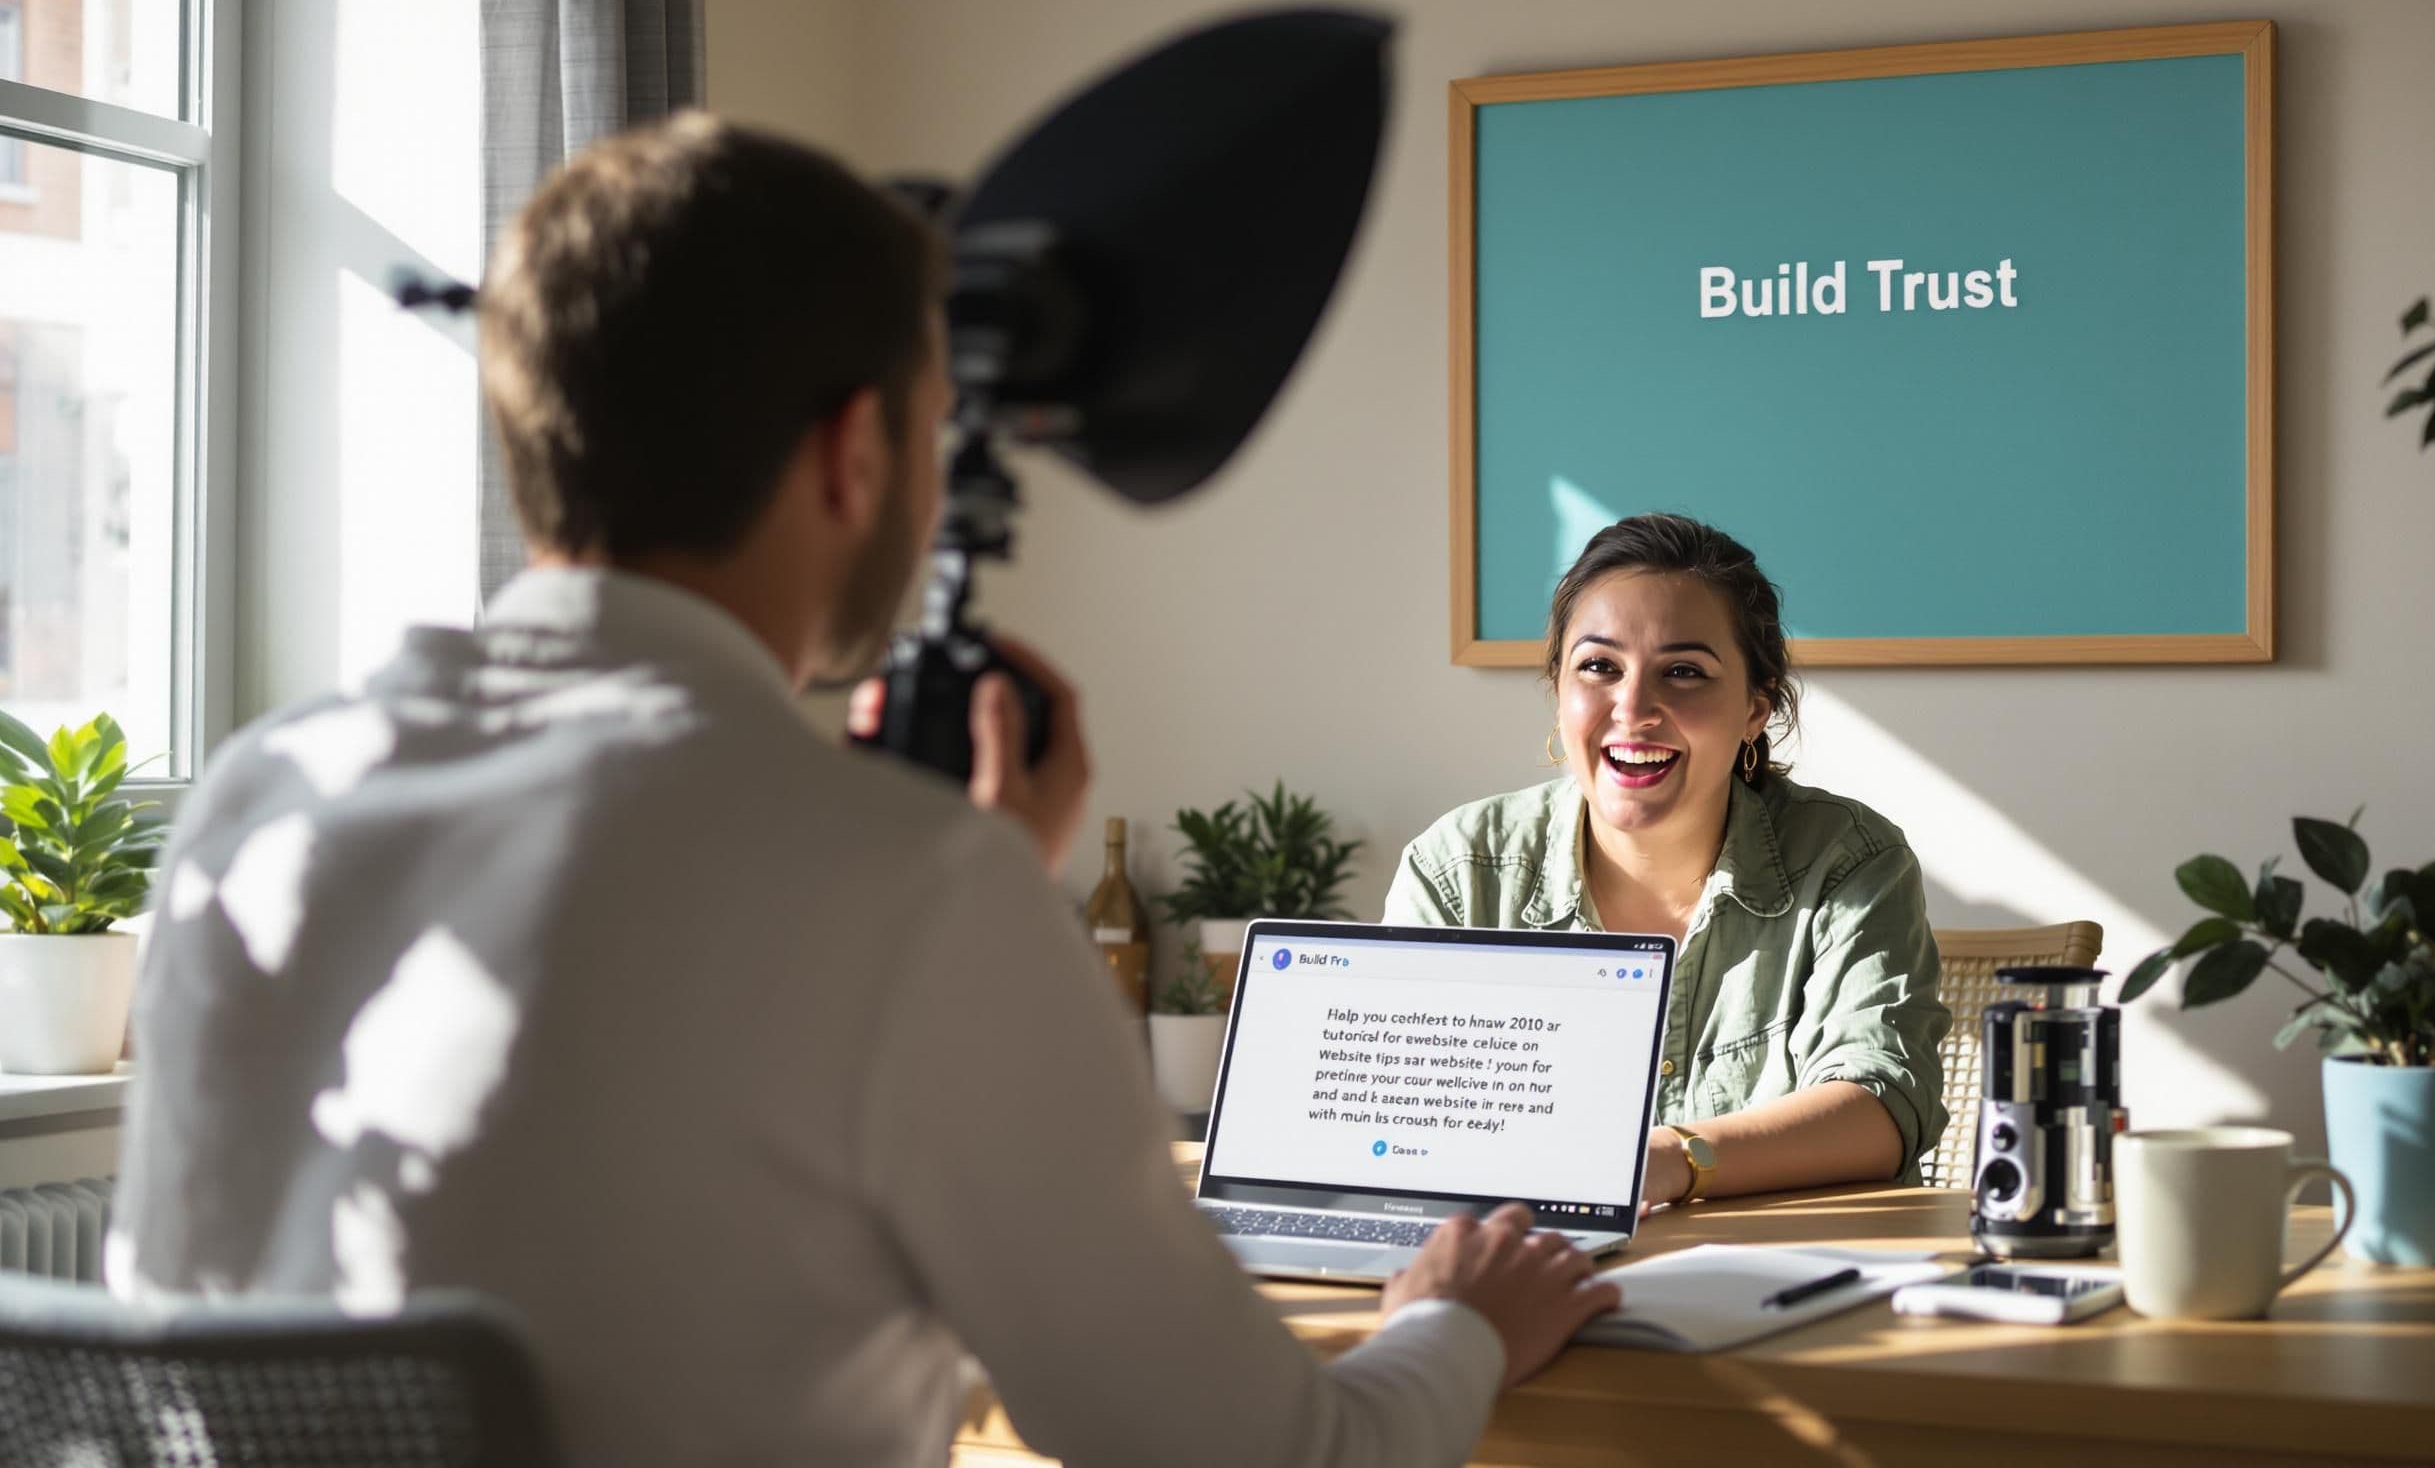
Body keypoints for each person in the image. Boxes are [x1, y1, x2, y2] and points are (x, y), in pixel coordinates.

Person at [110, 114, 1616, 1467]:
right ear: (851, 454)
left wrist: (962, 893)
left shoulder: (260, 796)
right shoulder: (910, 893)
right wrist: (1460, 1316)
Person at [1386, 514, 1950, 1202]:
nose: (1634, 708)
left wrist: (1675, 1157)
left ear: (1753, 708)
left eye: (1684, 671)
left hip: (1791, 1274)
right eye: (1598, 667)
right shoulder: (1457, 870)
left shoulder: (1852, 861)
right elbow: (1403, 1120)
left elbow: (1882, 1104)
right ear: (1558, 693)